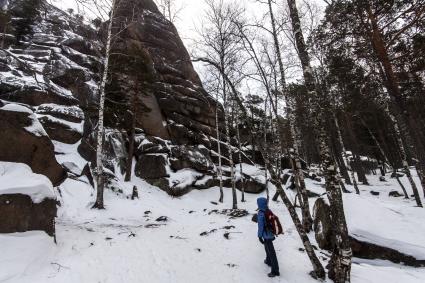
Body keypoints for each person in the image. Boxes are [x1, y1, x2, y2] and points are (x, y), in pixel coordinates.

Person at [257, 197, 280, 277]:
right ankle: (268, 260)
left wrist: (259, 236)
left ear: (259, 204)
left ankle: (275, 271)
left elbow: (260, 226)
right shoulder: (268, 210)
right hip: (270, 233)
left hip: (266, 235)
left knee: (271, 252)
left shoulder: (261, 213)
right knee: (267, 248)